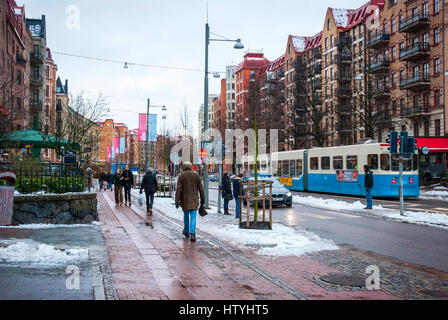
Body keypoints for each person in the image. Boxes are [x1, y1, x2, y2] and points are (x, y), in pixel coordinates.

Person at [175, 162, 205, 243]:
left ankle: (186, 231)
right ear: (191, 167)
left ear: (184, 167)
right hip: (194, 199)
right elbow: (201, 189)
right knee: (193, 216)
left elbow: (179, 189)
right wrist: (203, 200)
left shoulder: (181, 175)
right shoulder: (196, 175)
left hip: (184, 200)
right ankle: (193, 234)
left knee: (186, 215)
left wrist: (177, 200)